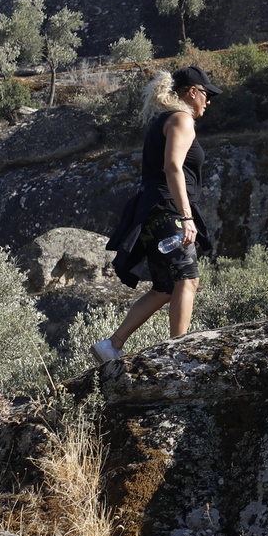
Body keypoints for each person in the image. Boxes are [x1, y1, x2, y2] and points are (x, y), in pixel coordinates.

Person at [96, 66, 221, 362]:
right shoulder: (182, 119)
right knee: (187, 280)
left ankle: (111, 345)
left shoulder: (165, 120)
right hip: (168, 210)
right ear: (192, 92)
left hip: (154, 209)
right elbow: (173, 167)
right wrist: (186, 216)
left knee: (166, 287)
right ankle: (179, 349)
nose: (209, 101)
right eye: (206, 94)